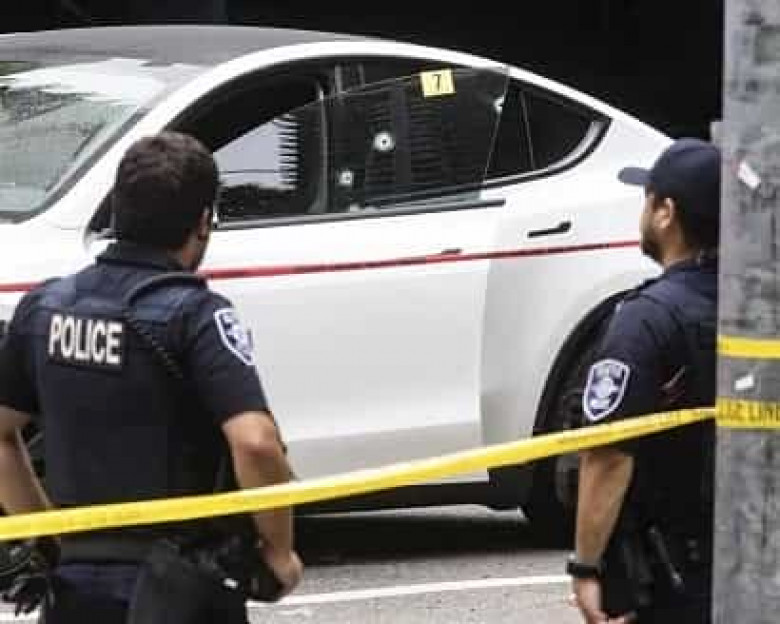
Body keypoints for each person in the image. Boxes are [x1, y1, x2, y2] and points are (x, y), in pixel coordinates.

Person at [0, 131, 302, 622]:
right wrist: (279, 553)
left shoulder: (45, 307)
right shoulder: (195, 315)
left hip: (75, 587)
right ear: (203, 222)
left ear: (117, 209)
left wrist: (47, 533)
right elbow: (256, 442)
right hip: (179, 587)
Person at [567, 138, 720, 623]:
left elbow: (609, 453)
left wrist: (585, 566)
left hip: (675, 579)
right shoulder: (759, 308)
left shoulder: (645, 319)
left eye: (646, 199)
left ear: (665, 213)